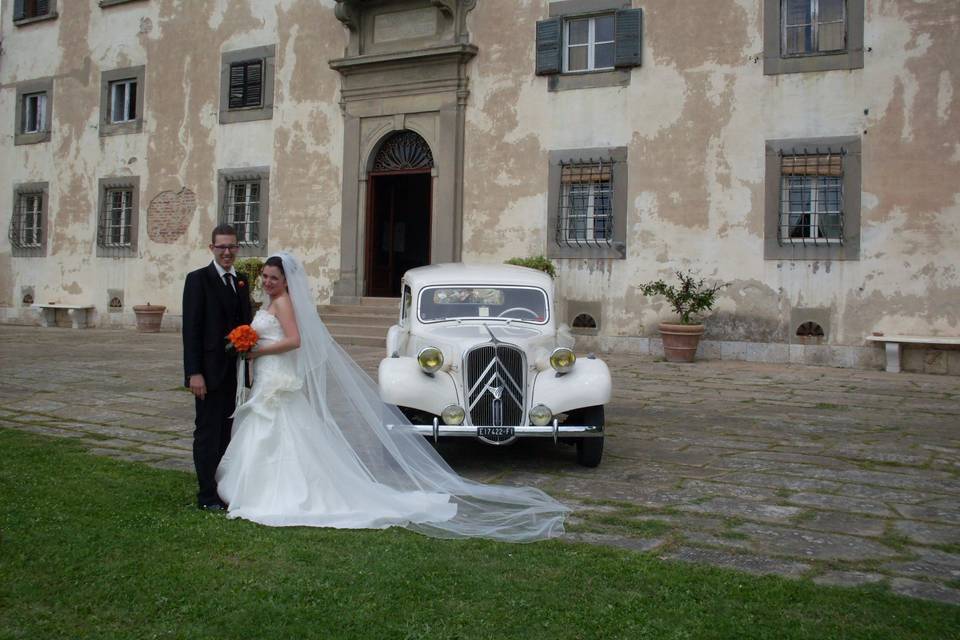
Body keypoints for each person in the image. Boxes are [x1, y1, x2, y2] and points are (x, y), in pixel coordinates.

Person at [215, 253, 569, 541]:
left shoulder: (284, 304)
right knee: (274, 428)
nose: (267, 281)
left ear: (287, 280)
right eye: (265, 276)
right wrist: (249, 343)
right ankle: (255, 487)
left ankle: (277, 492)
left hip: (274, 372)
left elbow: (294, 341)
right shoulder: (270, 302)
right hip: (270, 373)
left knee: (282, 429)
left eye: (273, 277)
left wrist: (256, 351)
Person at [182, 225, 253, 510]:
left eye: (232, 247)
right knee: (207, 433)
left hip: (234, 374)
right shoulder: (198, 280)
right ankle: (206, 494)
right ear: (212, 248)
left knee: (227, 433)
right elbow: (192, 330)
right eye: (221, 247)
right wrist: (194, 373)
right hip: (208, 374)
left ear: (237, 248)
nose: (227, 252)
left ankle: (222, 487)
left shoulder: (242, 281)